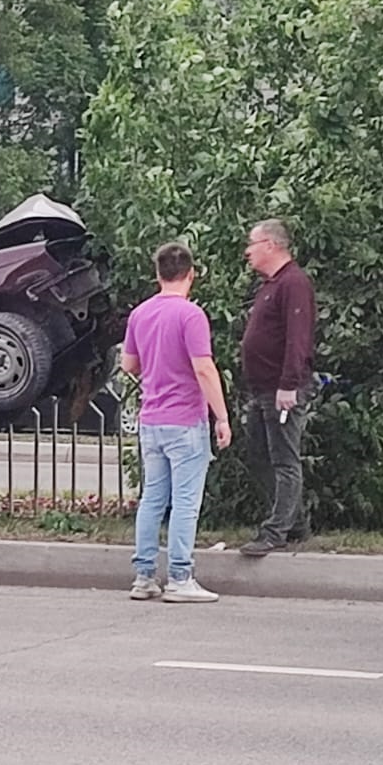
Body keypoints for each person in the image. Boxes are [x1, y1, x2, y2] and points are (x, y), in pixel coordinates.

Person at [119, 242, 232, 603]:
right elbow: (203, 367)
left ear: (157, 274)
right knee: (185, 501)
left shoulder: (140, 314)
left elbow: (128, 365)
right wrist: (222, 417)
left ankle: (144, 576)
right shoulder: (191, 315)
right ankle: (180, 577)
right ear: (191, 274)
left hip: (151, 419)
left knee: (153, 499)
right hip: (185, 420)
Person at [238, 218, 318, 558]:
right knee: (259, 454)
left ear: (271, 245)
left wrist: (289, 385)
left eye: (252, 244)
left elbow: (297, 338)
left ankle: (276, 531)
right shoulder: (271, 284)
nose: (247, 252)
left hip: (281, 389)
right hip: (260, 387)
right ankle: (293, 521)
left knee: (284, 458)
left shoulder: (294, 284)